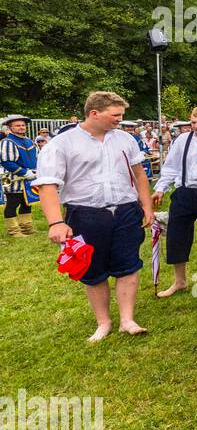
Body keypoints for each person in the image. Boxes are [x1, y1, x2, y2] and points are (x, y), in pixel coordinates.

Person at [32, 91, 153, 342]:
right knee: (92, 269)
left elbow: (140, 174)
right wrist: (56, 222)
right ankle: (103, 322)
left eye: (121, 115)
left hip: (126, 211)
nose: (120, 120)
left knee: (128, 264)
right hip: (85, 214)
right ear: (94, 113)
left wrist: (147, 206)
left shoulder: (125, 140)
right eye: (115, 115)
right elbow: (47, 185)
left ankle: (127, 320)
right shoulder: (61, 144)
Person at [151, 105, 197, 298]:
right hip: (183, 192)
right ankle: (180, 281)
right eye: (193, 122)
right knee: (177, 236)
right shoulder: (182, 140)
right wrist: (160, 189)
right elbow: (171, 167)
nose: (196, 126)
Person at [1, 114, 38, 236]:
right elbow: (7, 162)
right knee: (12, 203)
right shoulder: (7, 142)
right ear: (10, 127)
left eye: (23, 125)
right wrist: (24, 172)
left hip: (29, 178)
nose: (21, 127)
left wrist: (35, 171)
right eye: (17, 125)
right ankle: (14, 231)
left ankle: (26, 228)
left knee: (27, 202)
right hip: (13, 179)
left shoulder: (29, 141)